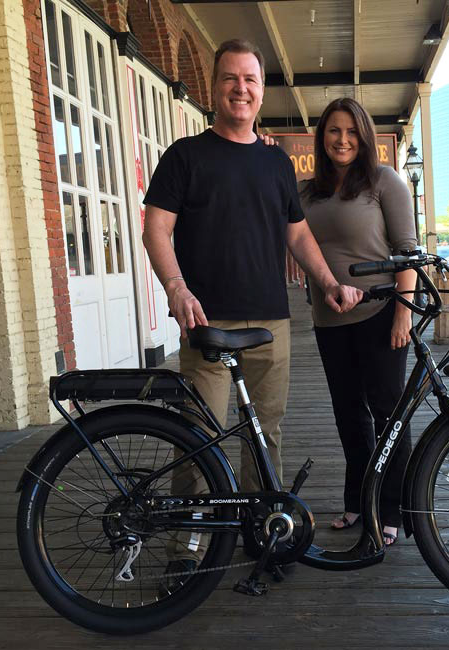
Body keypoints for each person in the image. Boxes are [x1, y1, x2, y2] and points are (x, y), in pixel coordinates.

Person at [142, 39, 361, 584]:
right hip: (208, 324)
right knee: (201, 437)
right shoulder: (185, 156)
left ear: (261, 91)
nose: (241, 88)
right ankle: (189, 544)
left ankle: (261, 532)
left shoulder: (274, 161)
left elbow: (297, 233)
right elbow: (156, 229)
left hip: (271, 322)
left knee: (266, 434)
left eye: (251, 80)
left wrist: (329, 281)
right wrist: (175, 288)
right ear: (214, 87)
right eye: (230, 78)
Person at [299, 98, 417, 546]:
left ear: (364, 136)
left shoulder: (385, 182)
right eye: (333, 131)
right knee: (349, 416)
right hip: (329, 320)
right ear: (322, 136)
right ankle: (357, 501)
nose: (342, 139)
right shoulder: (307, 191)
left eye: (351, 131)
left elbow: (407, 252)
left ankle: (390, 509)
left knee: (389, 415)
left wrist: (403, 312)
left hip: (381, 313)